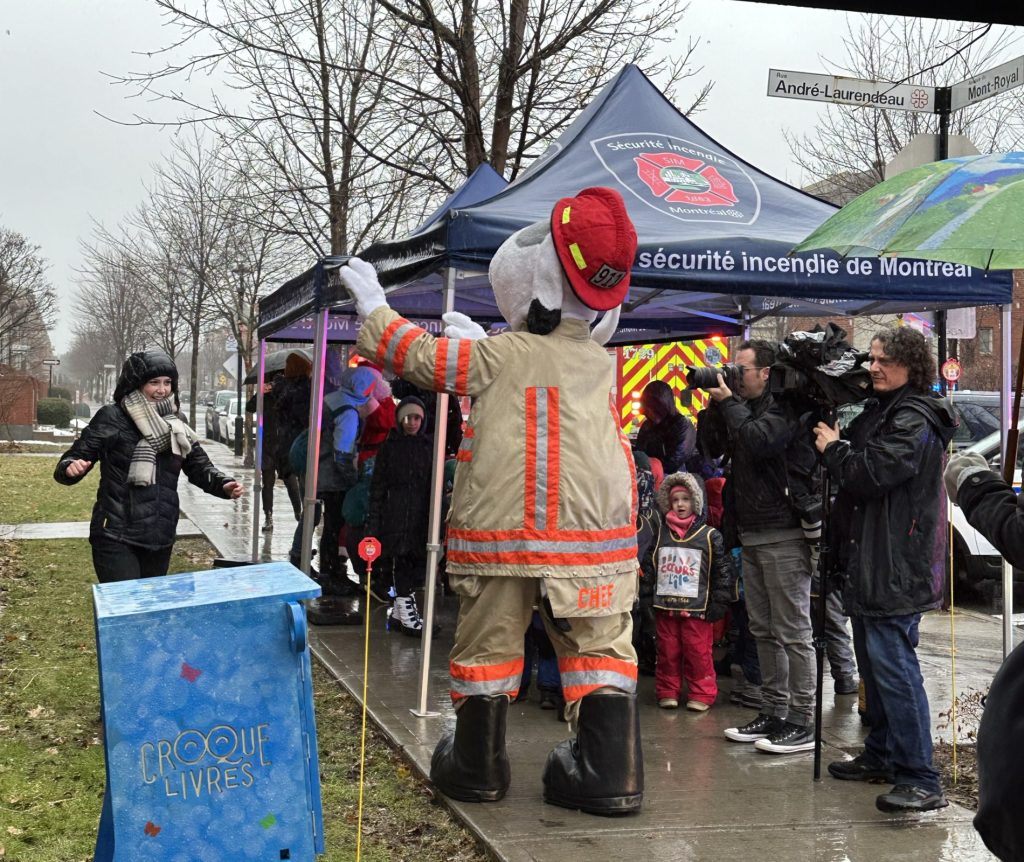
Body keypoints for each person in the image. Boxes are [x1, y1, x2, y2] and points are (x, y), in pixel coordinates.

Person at [341, 186, 643, 815]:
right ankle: (609, 774)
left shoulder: (500, 355)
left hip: (505, 534)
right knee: (600, 650)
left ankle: (477, 766)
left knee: (487, 650)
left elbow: (419, 356)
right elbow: (538, 387)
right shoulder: (599, 361)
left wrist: (375, 306)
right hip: (592, 541)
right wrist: (488, 341)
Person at [813, 325, 955, 813]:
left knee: (895, 671)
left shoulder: (913, 418)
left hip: (896, 567)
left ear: (910, 366)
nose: (872, 367)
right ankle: (883, 755)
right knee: (876, 668)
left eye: (882, 360)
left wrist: (833, 448)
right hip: (874, 561)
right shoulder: (885, 411)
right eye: (870, 358)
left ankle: (920, 776)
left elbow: (869, 473)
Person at [702, 339, 821, 755]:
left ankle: (803, 721)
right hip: (751, 533)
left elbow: (760, 441)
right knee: (763, 630)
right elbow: (713, 449)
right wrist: (718, 406)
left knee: (792, 631)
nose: (736, 376)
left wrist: (730, 402)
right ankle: (774, 711)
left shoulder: (785, 408)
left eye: (744, 369)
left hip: (784, 532)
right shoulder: (744, 408)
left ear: (766, 373)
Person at [54, 349, 243, 582]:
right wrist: (71, 467)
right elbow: (75, 456)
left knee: (149, 611)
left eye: (167, 383)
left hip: (160, 535)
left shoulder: (176, 422)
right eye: (154, 382)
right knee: (125, 610)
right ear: (136, 383)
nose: (162, 390)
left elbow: (198, 465)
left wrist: (223, 484)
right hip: (116, 533)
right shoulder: (113, 417)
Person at [645, 472, 733, 711]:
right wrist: (645, 597)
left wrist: (719, 603)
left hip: (697, 611)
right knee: (667, 653)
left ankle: (701, 693)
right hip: (666, 609)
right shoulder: (661, 534)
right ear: (668, 503)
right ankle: (667, 690)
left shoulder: (709, 536)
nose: (681, 504)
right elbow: (649, 567)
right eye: (676, 500)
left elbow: (722, 572)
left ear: (695, 502)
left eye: (686, 499)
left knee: (698, 654)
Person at [366, 395, 433, 636]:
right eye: (408, 417)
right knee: (402, 563)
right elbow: (378, 486)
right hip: (395, 514)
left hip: (419, 516)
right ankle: (406, 612)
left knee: (412, 564)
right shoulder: (389, 447)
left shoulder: (428, 447)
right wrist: (374, 521)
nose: (412, 422)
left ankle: (400, 612)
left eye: (417, 418)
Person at [247, 378, 302, 532]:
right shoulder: (264, 398)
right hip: (268, 446)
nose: (271, 385)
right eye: (269, 383)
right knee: (268, 483)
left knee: (291, 482)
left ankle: (299, 513)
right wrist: (260, 393)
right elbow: (249, 407)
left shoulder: (286, 395)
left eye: (273, 383)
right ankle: (268, 516)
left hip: (284, 446)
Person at [634, 380, 695, 474]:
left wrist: (654, 467)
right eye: (647, 408)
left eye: (653, 408)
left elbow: (676, 460)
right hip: (649, 476)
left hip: (675, 479)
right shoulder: (647, 425)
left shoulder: (682, 424)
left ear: (663, 406)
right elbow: (639, 453)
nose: (650, 412)